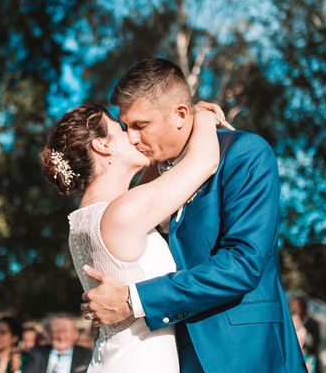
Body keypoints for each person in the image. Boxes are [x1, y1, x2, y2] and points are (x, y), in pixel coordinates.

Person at [81, 58, 306, 372]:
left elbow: (243, 264)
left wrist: (134, 300)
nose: (132, 137)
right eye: (126, 126)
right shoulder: (152, 182)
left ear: (180, 114)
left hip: (248, 354)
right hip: (177, 357)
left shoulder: (245, 154)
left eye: (140, 125)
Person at [39, 90, 225, 372]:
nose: (134, 136)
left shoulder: (89, 218)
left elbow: (148, 185)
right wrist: (201, 116)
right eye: (121, 128)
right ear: (103, 145)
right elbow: (204, 161)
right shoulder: (123, 214)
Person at [21, 315, 90, 373]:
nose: (61, 336)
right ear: (50, 334)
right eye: (57, 331)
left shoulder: (87, 355)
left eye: (66, 331)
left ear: (75, 334)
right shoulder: (37, 353)